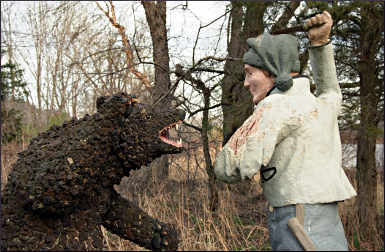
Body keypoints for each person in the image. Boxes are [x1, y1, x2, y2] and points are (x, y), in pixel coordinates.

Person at [214, 11, 357, 251]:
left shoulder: (275, 105)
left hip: (296, 220)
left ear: (273, 71)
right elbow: (331, 91)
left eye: (250, 73)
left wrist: (231, 152)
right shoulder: (319, 105)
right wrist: (320, 44)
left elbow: (229, 167)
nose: (246, 82)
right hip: (327, 219)